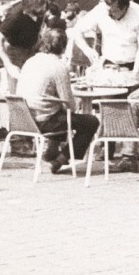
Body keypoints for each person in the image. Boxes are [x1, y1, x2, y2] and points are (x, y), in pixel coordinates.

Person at [16, 28, 100, 174]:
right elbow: (70, 107)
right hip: (43, 121)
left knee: (58, 110)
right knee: (91, 121)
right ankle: (61, 159)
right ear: (64, 46)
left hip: (24, 117)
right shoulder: (59, 67)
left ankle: (52, 150)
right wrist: (77, 101)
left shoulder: (30, 61)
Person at [72, 0, 139, 81]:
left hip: (133, 65)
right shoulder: (100, 10)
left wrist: (136, 72)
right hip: (108, 66)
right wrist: (87, 50)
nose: (109, 15)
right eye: (107, 11)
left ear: (125, 7)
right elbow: (77, 30)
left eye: (113, 11)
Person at [0, 0, 48, 79]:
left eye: (44, 6)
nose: (43, 9)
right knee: (17, 86)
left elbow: (38, 28)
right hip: (16, 52)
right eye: (39, 7)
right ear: (30, 6)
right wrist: (8, 64)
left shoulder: (40, 12)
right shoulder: (15, 16)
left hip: (32, 50)